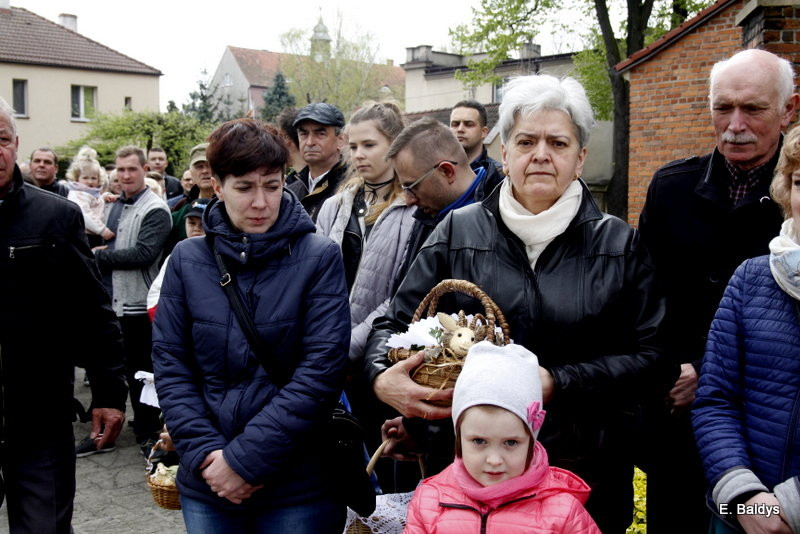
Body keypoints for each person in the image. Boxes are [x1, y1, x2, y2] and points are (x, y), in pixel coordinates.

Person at [362, 74, 672, 533]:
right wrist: (381, 377)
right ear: (505, 153)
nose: (541, 154)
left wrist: (559, 381)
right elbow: (393, 322)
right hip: (467, 482)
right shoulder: (457, 231)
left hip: (583, 476)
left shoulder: (620, 245)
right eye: (526, 140)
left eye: (558, 142)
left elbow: (656, 360)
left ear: (580, 157)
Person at [152, 119, 350, 533]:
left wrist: (243, 462)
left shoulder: (319, 256)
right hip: (208, 479)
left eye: (273, 186)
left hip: (298, 483)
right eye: (244, 187)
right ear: (218, 186)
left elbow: (321, 370)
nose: (261, 202)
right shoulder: (188, 260)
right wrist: (208, 456)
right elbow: (171, 366)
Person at [638, 48, 799, 533]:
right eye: (722, 107)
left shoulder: (793, 202)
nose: (734, 124)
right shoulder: (671, 187)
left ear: (788, 110)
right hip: (678, 422)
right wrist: (674, 366)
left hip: (766, 436)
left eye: (753, 109)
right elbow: (642, 298)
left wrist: (704, 373)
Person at [0, 96, 128, 533]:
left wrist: (110, 394)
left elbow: (92, 311)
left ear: (16, 143)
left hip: (40, 415)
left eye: (1, 139)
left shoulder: (55, 216)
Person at [692, 124, 800, 534]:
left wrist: (791, 506)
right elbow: (716, 399)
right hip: (742, 513)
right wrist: (746, 500)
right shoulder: (752, 279)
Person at [405, 342, 600, 533]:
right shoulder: (429, 502)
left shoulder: (562, 512)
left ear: (532, 441)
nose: (495, 460)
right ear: (459, 437)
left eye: (511, 442)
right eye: (479, 441)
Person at [81, 146, 171, 456]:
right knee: (104, 371)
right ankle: (105, 431)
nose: (125, 175)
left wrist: (100, 258)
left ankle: (147, 434)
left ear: (145, 169)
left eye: (131, 169)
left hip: (138, 306)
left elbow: (144, 255)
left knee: (140, 374)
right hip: (109, 304)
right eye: (120, 170)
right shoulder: (113, 205)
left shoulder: (156, 209)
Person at [388, 117, 504, 287]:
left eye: (411, 186)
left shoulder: (504, 215)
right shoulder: (426, 217)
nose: (409, 200)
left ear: (447, 171)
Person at [285, 102, 348, 222]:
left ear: (341, 140)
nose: (309, 142)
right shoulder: (290, 193)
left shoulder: (351, 189)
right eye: (303, 134)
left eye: (320, 134)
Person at [65, 145, 114, 248]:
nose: (90, 181)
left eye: (94, 178)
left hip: (94, 233)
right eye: (85, 178)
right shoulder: (77, 194)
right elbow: (85, 214)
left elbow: (95, 203)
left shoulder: (92, 193)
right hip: (84, 235)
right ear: (77, 178)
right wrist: (102, 230)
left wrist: (104, 197)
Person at [449, 99, 504, 180]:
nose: (460, 129)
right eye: (455, 124)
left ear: (484, 132)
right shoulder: (439, 171)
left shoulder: (498, 176)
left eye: (469, 124)